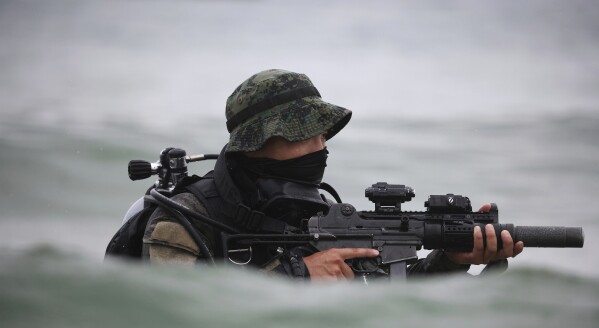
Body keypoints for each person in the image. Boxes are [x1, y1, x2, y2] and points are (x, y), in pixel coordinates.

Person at [142, 69, 523, 280]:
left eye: (322, 134)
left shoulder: (315, 210)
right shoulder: (184, 219)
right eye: (303, 134)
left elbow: (385, 296)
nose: (320, 148)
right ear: (254, 144)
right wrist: (297, 276)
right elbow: (177, 316)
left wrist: (452, 261)